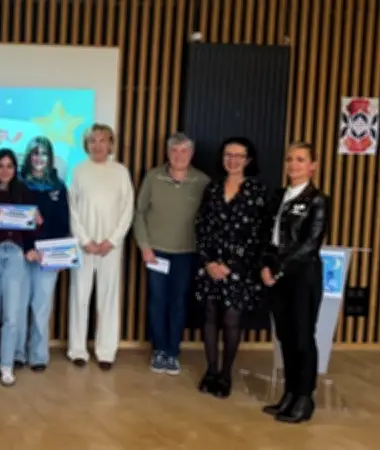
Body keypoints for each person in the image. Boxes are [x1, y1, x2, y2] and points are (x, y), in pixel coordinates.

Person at [260, 142, 329, 424]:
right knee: (285, 337)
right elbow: (267, 236)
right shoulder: (279, 197)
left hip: (302, 276)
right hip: (277, 275)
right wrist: (266, 265)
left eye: (301, 159)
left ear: (313, 166)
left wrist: (279, 270)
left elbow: (309, 245)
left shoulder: (317, 200)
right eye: (290, 159)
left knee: (302, 338)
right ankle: (289, 392)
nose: (293, 164)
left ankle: (304, 397)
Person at [194, 137, 268, 397]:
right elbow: (201, 226)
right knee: (210, 317)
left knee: (232, 319)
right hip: (210, 265)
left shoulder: (257, 192)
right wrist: (209, 262)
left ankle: (226, 374)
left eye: (239, 156)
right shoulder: (212, 189)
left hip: (240, 268)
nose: (233, 160)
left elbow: (258, 234)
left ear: (248, 160)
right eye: (228, 155)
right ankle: (211, 370)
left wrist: (230, 264)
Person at [134, 133, 210, 375]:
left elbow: (209, 219)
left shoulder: (202, 181)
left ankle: (172, 352)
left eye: (184, 151)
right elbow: (139, 213)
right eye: (174, 150)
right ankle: (159, 350)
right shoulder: (153, 177)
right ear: (167, 153)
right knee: (157, 301)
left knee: (179, 303)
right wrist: (145, 246)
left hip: (186, 253)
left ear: (191, 154)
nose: (179, 155)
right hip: (156, 252)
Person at [67, 123, 134, 370]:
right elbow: (72, 209)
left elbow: (127, 209)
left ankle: (106, 351)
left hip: (110, 247)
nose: (97, 145)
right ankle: (77, 349)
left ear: (111, 144)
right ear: (86, 145)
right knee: (79, 296)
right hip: (84, 245)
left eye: (102, 140)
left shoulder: (121, 172)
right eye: (92, 141)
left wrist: (112, 240)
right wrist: (84, 239)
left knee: (108, 298)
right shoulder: (78, 171)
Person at [0, 149, 40, 386]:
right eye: (0, 166)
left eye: (9, 166)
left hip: (15, 255)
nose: (5, 170)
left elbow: (31, 228)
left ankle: (6, 364)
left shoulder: (24, 192)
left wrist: (37, 225)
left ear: (15, 169)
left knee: (12, 315)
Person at [15, 136, 70, 371]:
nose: (39, 158)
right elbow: (14, 220)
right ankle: (16, 353)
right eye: (35, 153)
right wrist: (27, 248)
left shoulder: (58, 186)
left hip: (48, 256)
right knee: (18, 306)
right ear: (29, 156)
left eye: (44, 153)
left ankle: (38, 355)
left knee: (41, 307)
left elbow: (63, 224)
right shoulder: (18, 183)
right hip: (21, 254)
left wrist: (59, 255)